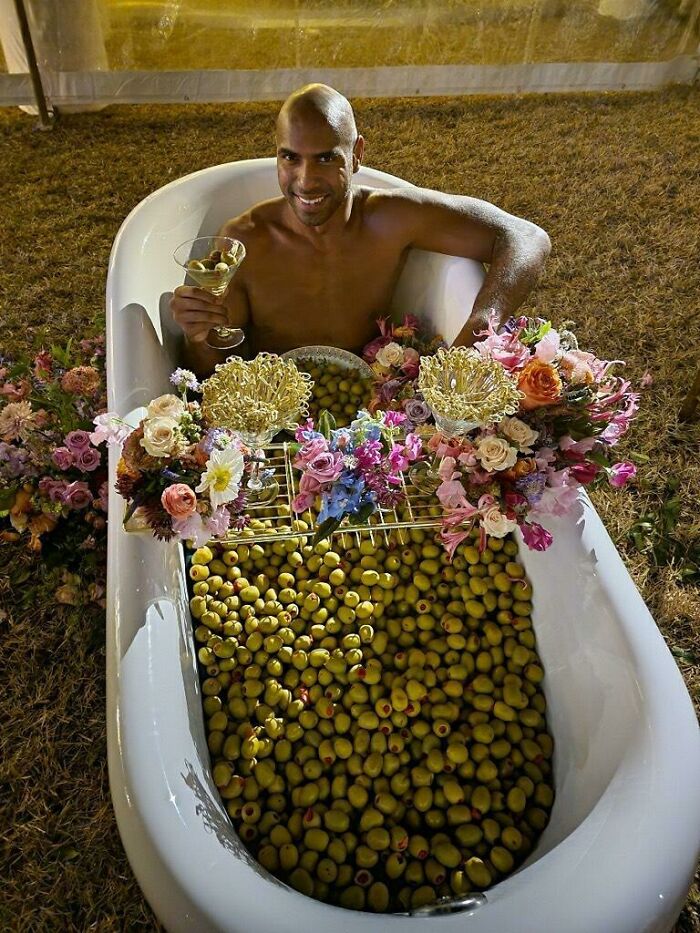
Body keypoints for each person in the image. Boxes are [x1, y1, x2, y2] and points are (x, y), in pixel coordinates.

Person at [170, 84, 551, 377]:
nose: (306, 181)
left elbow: (525, 237)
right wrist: (199, 337)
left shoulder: (391, 218)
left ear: (357, 155)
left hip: (374, 391)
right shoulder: (244, 240)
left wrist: (482, 323)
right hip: (274, 400)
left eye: (325, 158)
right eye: (290, 157)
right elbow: (213, 368)